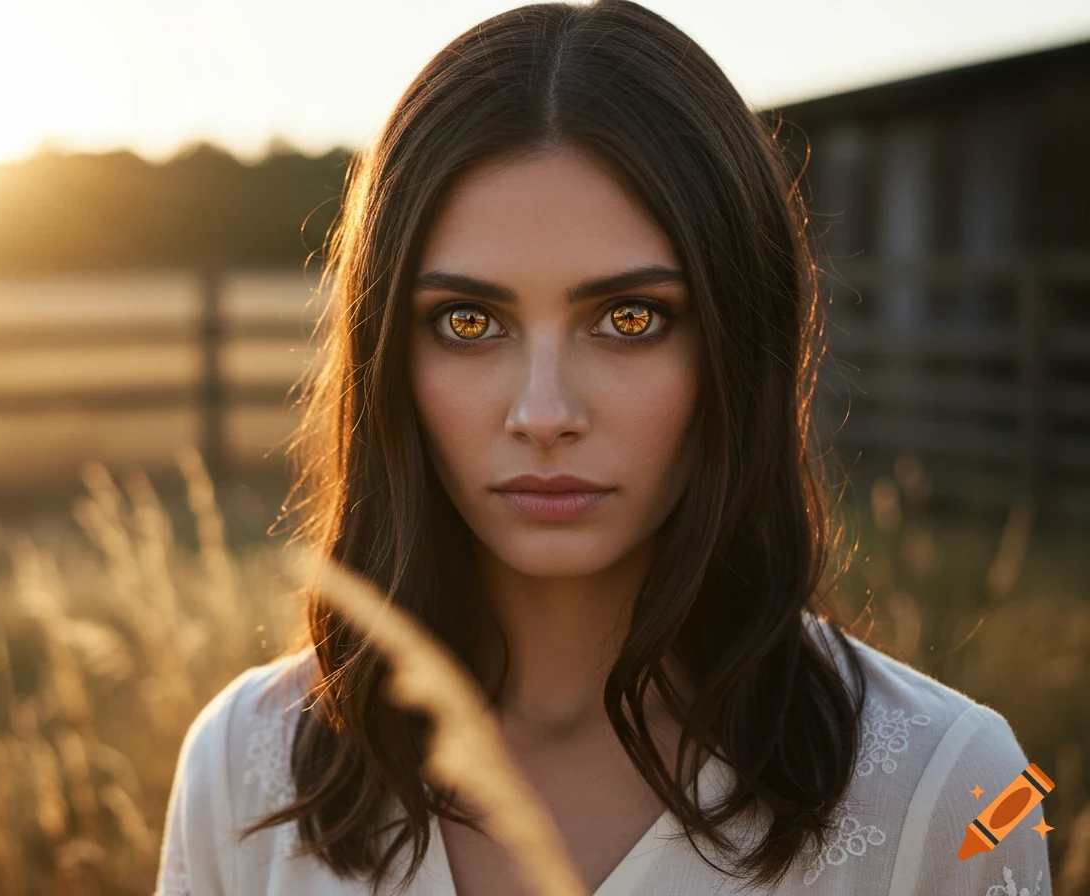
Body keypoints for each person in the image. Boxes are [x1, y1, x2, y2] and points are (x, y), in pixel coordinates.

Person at [155, 2, 1053, 894]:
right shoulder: (245, 763)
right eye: (468, 322)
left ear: (739, 347)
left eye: (631, 319)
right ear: (388, 356)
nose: (544, 413)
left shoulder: (953, 789)